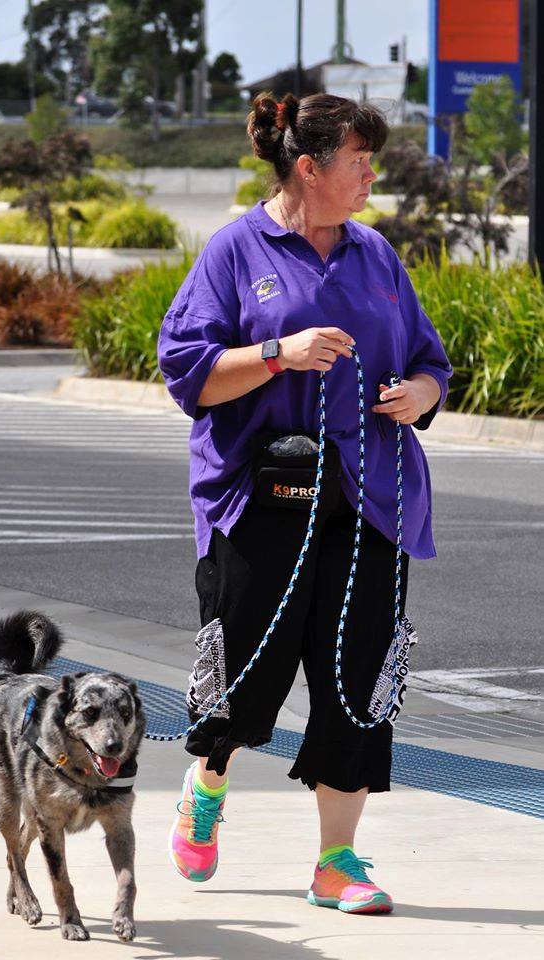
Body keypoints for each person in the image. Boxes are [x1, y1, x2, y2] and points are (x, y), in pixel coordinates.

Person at [157, 91, 453, 914]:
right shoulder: (235, 250)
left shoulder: (375, 255)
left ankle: (336, 862)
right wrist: (276, 354)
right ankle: (206, 787)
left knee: (357, 683)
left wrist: (419, 394)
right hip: (260, 502)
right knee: (246, 676)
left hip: (370, 502)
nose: (370, 175)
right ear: (308, 167)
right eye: (358, 160)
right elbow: (188, 373)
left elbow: (430, 363)